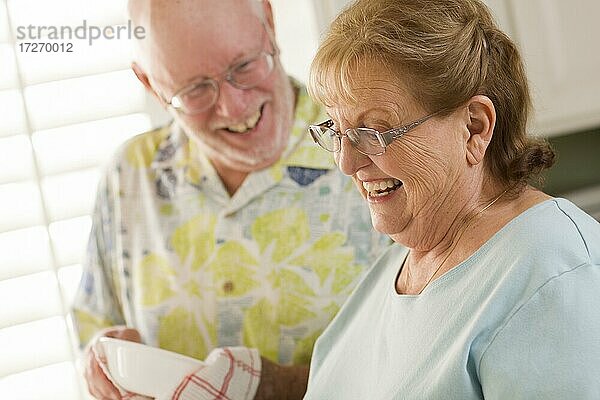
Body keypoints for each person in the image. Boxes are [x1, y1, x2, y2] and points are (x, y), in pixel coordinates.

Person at [71, 0, 389, 399]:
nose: (234, 106)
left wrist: (280, 387)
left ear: (269, 22)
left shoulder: (375, 151)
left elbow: (426, 360)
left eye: (244, 66)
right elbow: (92, 330)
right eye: (195, 90)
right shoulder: (128, 176)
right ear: (150, 84)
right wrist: (101, 364)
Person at [302, 0, 600, 398]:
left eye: (373, 131)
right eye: (336, 130)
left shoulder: (551, 273)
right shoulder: (401, 261)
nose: (346, 162)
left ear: (474, 127)